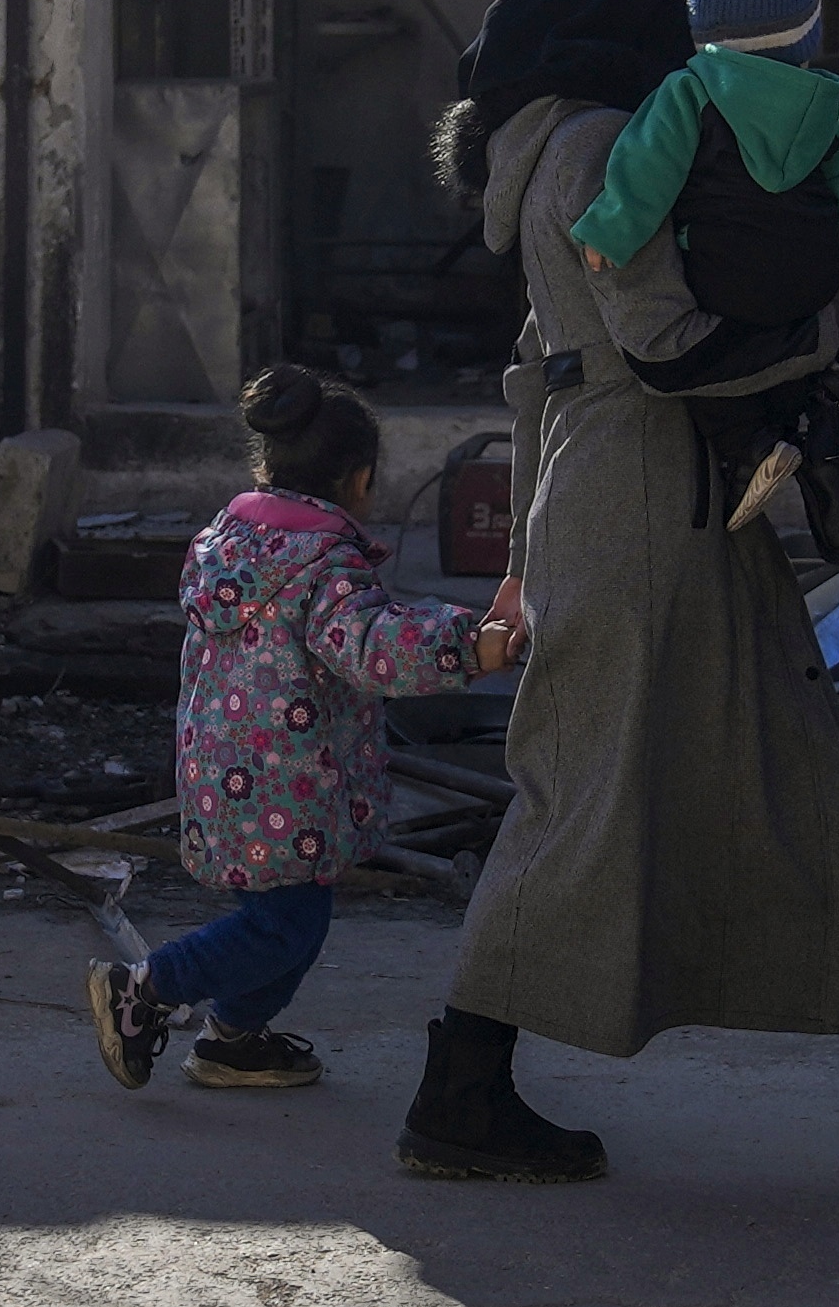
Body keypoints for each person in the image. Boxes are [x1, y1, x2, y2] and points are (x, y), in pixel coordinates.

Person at [409, 0, 839, 1184]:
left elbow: (537, 376)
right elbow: (658, 341)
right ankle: (457, 1089)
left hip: (650, 501)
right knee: (582, 802)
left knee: (798, 771)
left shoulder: (558, 144)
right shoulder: (597, 146)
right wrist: (821, 336)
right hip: (648, 497)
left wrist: (525, 546)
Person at [86, 366, 528, 1093]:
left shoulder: (226, 544)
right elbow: (373, 647)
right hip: (291, 784)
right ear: (361, 481)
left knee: (292, 920)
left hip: (224, 776)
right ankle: (145, 988)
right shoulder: (325, 565)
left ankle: (233, 1039)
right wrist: (467, 645)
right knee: (282, 927)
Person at [566, 0, 839, 325]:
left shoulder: (690, 91)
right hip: (813, 280)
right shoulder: (834, 112)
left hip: (719, 277)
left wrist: (609, 232)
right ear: (808, 29)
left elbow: (647, 168)